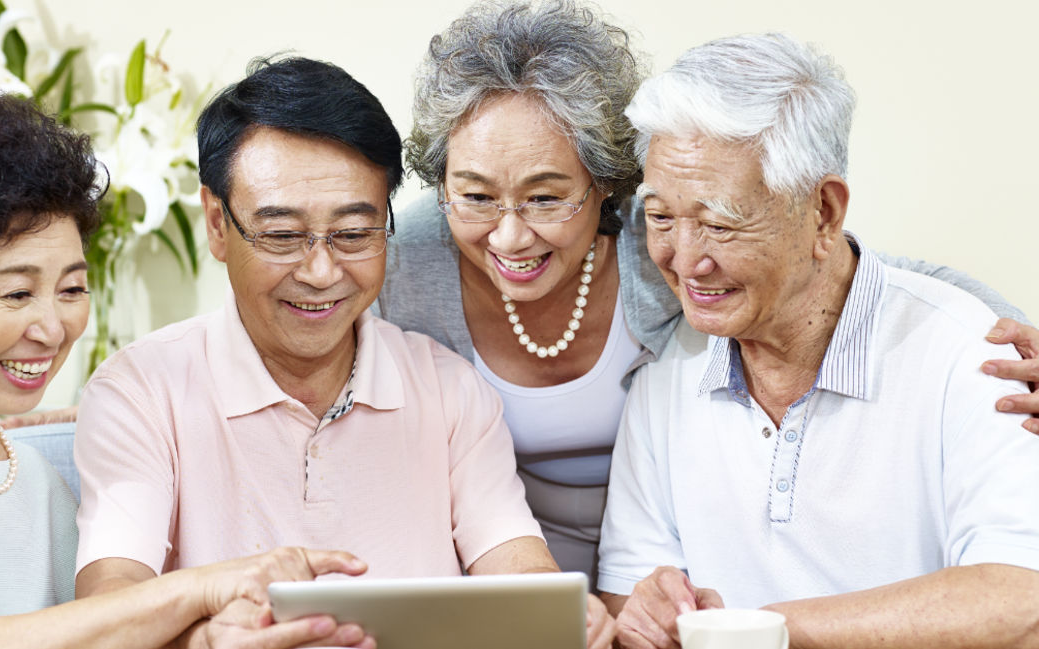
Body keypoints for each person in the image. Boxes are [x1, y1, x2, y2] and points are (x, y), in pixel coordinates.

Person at [376, 0, 1039, 583]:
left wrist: (1003, 327)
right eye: (475, 195)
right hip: (502, 584)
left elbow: (849, 263)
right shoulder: (401, 267)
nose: (511, 235)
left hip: (638, 582)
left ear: (606, 186)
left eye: (546, 197)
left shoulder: (653, 242)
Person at [0, 84, 372, 649]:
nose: (53, 329)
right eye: (17, 294)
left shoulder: (36, 479)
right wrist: (203, 588)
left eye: (72, 289)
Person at [71, 56, 615, 649]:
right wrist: (201, 638)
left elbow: (517, 567)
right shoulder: (141, 391)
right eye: (282, 235)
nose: (322, 271)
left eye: (355, 234)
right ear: (216, 224)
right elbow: (107, 609)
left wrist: (560, 616)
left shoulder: (450, 389)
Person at [596, 33, 1039, 648]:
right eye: (662, 217)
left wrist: (762, 630)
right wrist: (647, 614)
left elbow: (1022, 599)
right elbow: (630, 593)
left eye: (720, 223)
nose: (684, 260)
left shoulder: (970, 358)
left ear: (824, 214)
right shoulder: (665, 374)